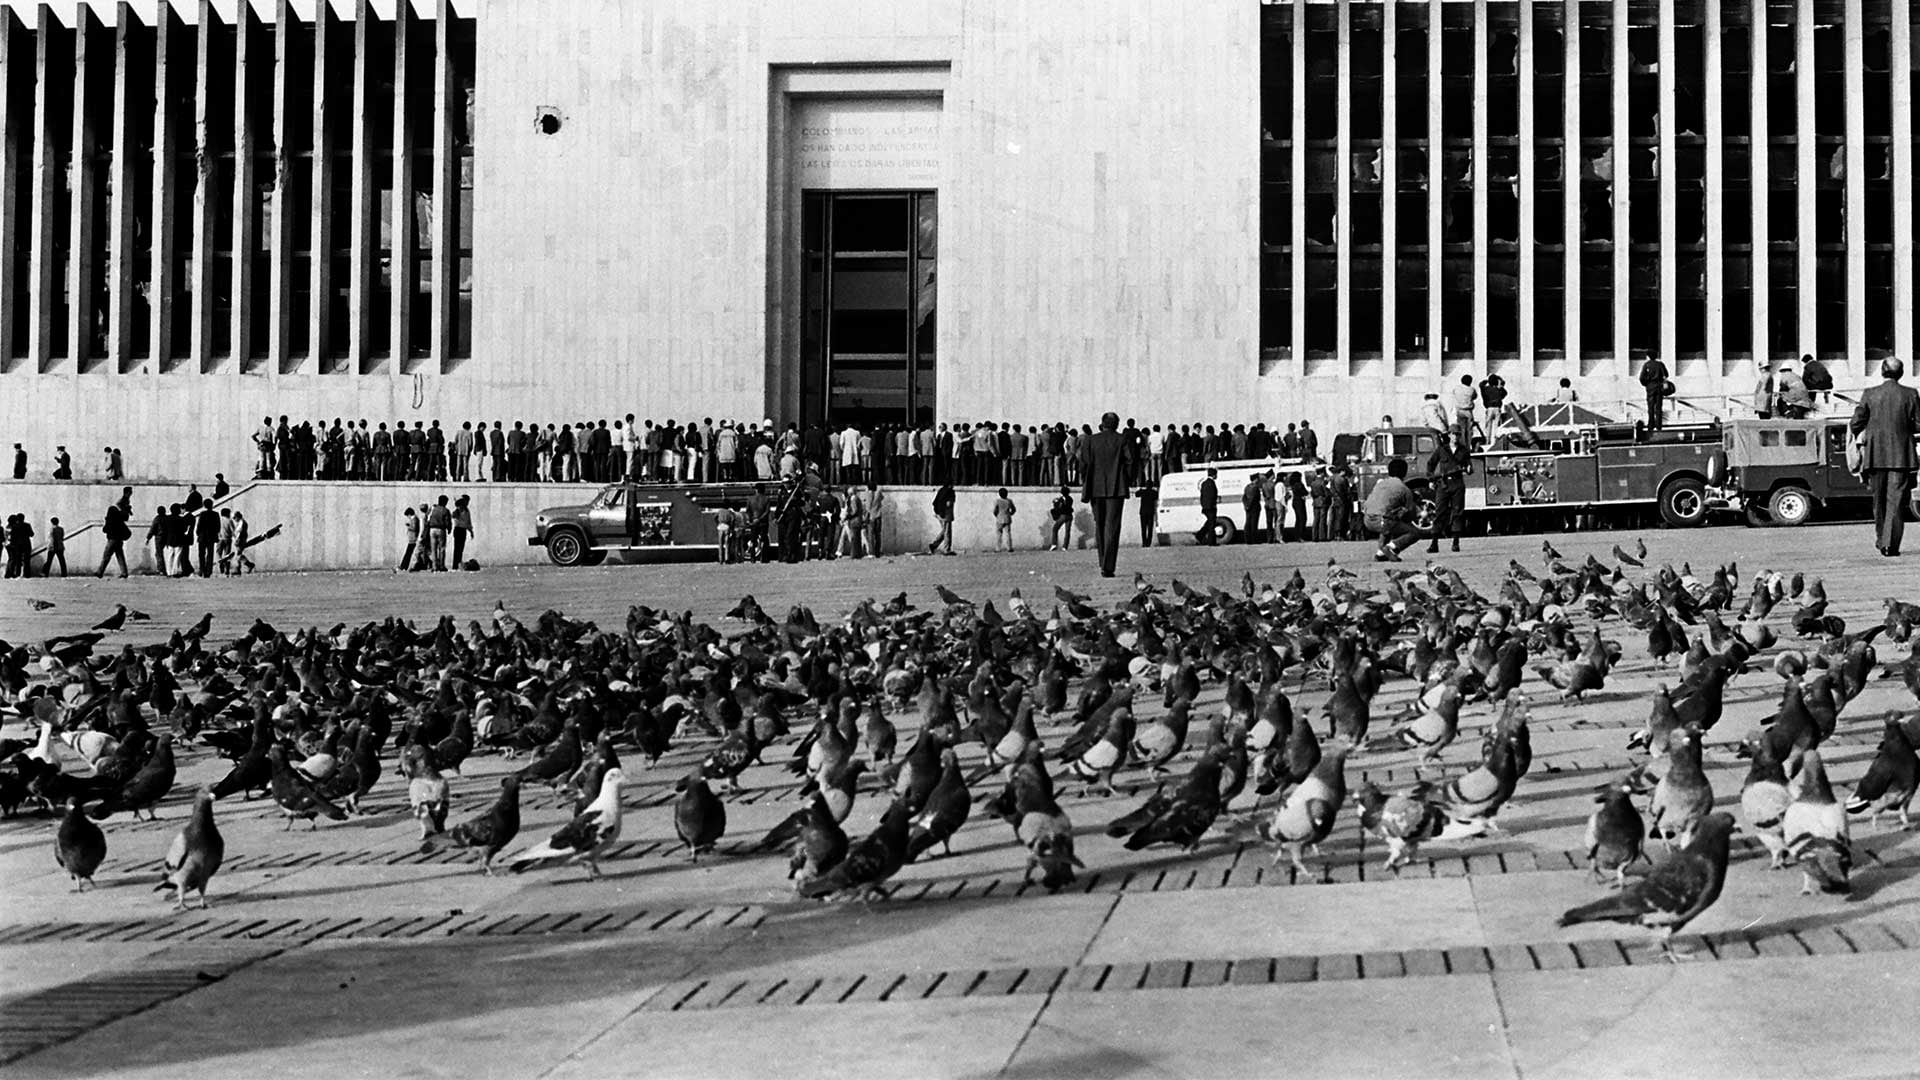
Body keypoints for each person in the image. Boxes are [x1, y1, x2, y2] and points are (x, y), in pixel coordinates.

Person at [1849, 357, 1920, 557]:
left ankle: (1882, 540)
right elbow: (1919, 424)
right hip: (1901, 456)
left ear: (1882, 371)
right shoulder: (1910, 394)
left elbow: (1855, 423)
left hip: (1875, 455)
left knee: (1878, 501)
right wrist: (1904, 426)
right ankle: (1890, 544)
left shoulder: (1869, 394)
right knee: (1895, 502)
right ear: (1901, 373)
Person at [1078, 412, 1131, 578]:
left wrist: (1087, 481)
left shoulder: (1090, 440)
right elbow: (1130, 462)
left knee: (1099, 526)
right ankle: (1108, 566)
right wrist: (1124, 480)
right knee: (1112, 528)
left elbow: (1083, 464)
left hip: (1096, 488)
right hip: (1116, 488)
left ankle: (1102, 562)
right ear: (1117, 424)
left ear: (1102, 424)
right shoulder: (1122, 439)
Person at [1363, 457, 1423, 562]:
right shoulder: (1404, 489)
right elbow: (1410, 515)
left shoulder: (1380, 484)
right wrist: (1418, 510)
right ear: (1404, 472)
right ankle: (1391, 548)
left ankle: (1380, 553)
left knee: (1390, 522)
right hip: (1383, 521)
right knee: (1414, 533)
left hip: (1367, 520)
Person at [1427, 434, 1467, 554]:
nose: (1455, 437)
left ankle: (1456, 543)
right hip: (1443, 484)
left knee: (1457, 513)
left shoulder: (1464, 450)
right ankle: (1434, 543)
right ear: (1449, 435)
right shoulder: (1441, 450)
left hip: (1457, 483)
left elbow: (1468, 465)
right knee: (1439, 512)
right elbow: (1431, 464)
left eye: (1457, 434)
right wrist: (1431, 479)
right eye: (1453, 434)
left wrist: (1468, 468)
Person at [96, 501, 130, 578]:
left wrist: (106, 521)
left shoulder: (111, 518)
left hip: (112, 539)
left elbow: (105, 529)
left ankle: (100, 572)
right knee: (120, 556)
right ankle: (124, 572)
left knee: (106, 555)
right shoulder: (119, 518)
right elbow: (125, 518)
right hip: (119, 539)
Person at [1639, 356, 1671, 429]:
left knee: (1650, 407)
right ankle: (1658, 425)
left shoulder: (1646, 364)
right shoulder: (1660, 364)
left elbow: (1641, 378)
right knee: (1658, 407)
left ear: (1648, 356)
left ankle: (1651, 424)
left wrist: (1646, 384)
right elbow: (1666, 375)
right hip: (1659, 387)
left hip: (1650, 388)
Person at [928, 481, 956, 555]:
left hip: (939, 515)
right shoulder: (950, 492)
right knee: (947, 532)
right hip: (946, 515)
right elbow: (948, 504)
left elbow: (935, 502)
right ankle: (947, 549)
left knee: (944, 531)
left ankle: (934, 545)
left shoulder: (941, 490)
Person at [195, 504, 220, 577]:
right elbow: (218, 526)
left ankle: (202, 570)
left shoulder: (202, 514)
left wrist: (198, 533)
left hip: (202, 537)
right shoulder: (215, 514)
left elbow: (199, 525)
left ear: (204, 505)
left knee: (201, 554)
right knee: (210, 554)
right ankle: (208, 571)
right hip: (211, 537)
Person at [1196, 468, 1220, 545]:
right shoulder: (1211, 483)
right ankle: (1211, 542)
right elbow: (1212, 496)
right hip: (1211, 507)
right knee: (1212, 524)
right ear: (1214, 475)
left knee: (1209, 523)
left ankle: (1200, 535)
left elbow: (1202, 496)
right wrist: (1213, 505)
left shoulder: (1204, 483)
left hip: (1205, 507)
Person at [1049, 485, 1075, 550]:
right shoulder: (1070, 499)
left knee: (1055, 528)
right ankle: (1065, 546)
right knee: (1067, 531)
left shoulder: (1061, 499)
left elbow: (1060, 507)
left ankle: (1054, 544)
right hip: (1069, 516)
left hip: (1063, 515)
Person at [452, 495, 474, 569]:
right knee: (458, 548)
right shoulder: (460, 510)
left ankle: (457, 564)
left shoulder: (465, 510)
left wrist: (471, 531)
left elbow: (468, 522)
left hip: (461, 530)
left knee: (459, 548)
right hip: (459, 529)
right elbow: (453, 515)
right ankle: (456, 564)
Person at [991, 487, 1017, 552]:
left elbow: (994, 511)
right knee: (1008, 533)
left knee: (999, 534)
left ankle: (998, 548)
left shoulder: (997, 501)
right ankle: (1009, 547)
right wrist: (1010, 514)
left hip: (999, 518)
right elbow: (1014, 509)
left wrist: (997, 515)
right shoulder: (1009, 501)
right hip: (1007, 518)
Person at [1241, 472, 1264, 543]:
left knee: (1248, 523)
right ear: (1255, 479)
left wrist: (1246, 505)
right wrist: (1249, 505)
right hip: (1254, 507)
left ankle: (1247, 539)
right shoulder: (1255, 488)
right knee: (1254, 523)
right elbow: (1254, 498)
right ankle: (1254, 539)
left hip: (1248, 507)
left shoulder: (1247, 487)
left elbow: (1244, 497)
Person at [863, 482, 885, 558]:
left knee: (871, 535)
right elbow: (882, 498)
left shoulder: (868, 494)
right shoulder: (878, 493)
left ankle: (871, 552)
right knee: (878, 535)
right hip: (878, 515)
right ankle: (877, 552)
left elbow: (868, 506)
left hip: (871, 517)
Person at [398, 507, 421, 572]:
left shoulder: (414, 519)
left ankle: (403, 566)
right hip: (412, 539)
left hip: (413, 539)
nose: (408, 517)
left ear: (409, 514)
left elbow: (414, 527)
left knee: (408, 553)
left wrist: (409, 526)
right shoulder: (414, 519)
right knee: (408, 553)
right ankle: (403, 566)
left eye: (408, 516)